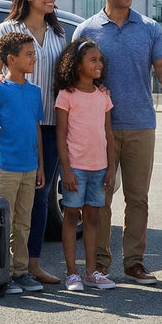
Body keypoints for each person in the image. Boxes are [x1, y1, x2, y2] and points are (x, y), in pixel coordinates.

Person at [73, 0, 162, 285]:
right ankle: (100, 263)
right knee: (101, 199)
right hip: (99, 128)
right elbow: (75, 77)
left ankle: (134, 263)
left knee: (138, 198)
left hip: (140, 124)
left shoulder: (150, 28)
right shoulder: (86, 30)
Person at [0, 0, 66, 285]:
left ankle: (32, 264)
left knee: (41, 195)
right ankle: (7, 266)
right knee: (13, 199)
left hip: (50, 123)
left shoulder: (58, 33)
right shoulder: (7, 29)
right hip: (18, 125)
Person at [0, 31, 46, 295]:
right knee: (3, 221)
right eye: (29, 55)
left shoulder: (35, 92)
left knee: (23, 222)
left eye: (34, 54)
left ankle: (21, 271)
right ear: (11, 59)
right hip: (5, 165)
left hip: (29, 167)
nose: (34, 58)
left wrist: (40, 165)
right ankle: (1, 273)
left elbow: (36, 128)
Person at [53, 38, 118, 291]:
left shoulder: (103, 95)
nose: (98, 64)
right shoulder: (66, 95)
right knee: (71, 217)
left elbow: (109, 135)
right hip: (75, 168)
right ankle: (72, 273)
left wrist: (111, 168)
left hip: (99, 168)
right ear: (77, 64)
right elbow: (61, 136)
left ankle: (92, 272)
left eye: (100, 60)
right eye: (93, 60)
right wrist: (66, 170)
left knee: (92, 218)